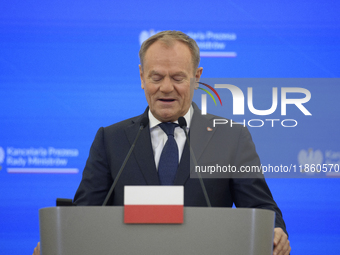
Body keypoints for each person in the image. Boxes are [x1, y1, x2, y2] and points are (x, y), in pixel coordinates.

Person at [34, 30, 291, 255]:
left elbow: (260, 207)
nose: (166, 88)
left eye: (178, 78)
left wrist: (276, 231)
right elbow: (84, 217)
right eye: (156, 77)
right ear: (142, 76)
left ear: (197, 77)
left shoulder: (230, 137)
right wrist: (59, 241)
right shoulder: (111, 139)